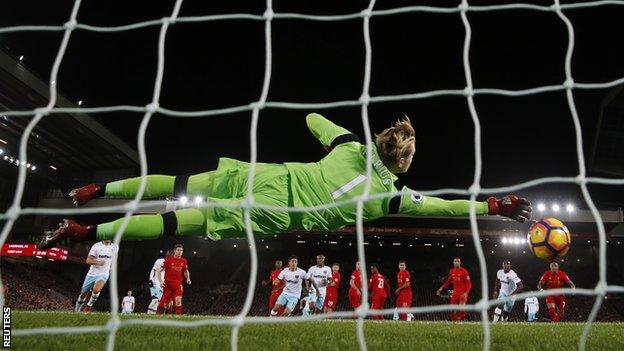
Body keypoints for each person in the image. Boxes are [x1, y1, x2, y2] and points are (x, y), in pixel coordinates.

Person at [39, 114, 531, 249]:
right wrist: (493, 207)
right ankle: (90, 234)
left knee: (182, 179)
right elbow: (446, 208)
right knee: (183, 222)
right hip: (281, 213)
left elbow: (312, 118)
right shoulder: (392, 199)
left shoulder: (348, 146)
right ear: (402, 163)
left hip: (273, 177)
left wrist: (338, 139)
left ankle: (100, 192)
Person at [75, 240, 118, 313]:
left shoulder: (115, 247)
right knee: (83, 294)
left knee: (96, 290)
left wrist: (111, 269)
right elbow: (88, 260)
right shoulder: (96, 246)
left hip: (104, 273)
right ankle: (77, 310)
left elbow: (114, 259)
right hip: (92, 273)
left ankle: (89, 306)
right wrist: (98, 262)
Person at [156, 244, 191, 315]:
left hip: (178, 284)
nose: (180, 252)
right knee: (165, 304)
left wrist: (188, 278)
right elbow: (159, 271)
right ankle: (157, 315)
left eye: (181, 250)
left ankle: (178, 318)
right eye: (178, 250)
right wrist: (160, 281)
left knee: (178, 301)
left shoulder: (183, 261)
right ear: (174, 251)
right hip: (168, 285)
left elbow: (185, 271)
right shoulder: (168, 260)